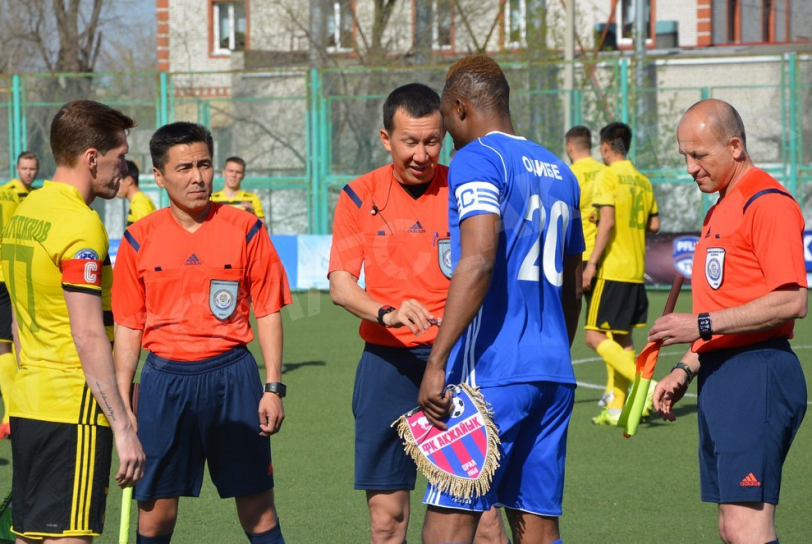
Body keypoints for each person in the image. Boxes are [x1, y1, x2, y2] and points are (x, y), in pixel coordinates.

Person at [329, 82, 507, 544]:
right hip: (386, 366)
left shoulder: (466, 186)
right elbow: (342, 287)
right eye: (410, 141)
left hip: (458, 366)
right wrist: (386, 311)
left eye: (433, 140)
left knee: (484, 521)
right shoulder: (356, 196)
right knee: (388, 521)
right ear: (386, 138)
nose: (423, 154)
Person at [417, 55, 584, 544]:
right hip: (554, 372)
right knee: (537, 523)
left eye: (446, 119)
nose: (446, 134)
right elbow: (574, 281)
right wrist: (555, 349)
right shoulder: (560, 171)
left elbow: (479, 258)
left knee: (449, 522)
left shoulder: (478, 159)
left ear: (462, 108)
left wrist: (437, 360)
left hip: (491, 373)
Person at [112, 122, 291, 544]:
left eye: (204, 164)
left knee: (259, 511)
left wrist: (273, 387)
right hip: (163, 383)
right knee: (156, 517)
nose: (197, 177)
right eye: (184, 167)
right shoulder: (138, 239)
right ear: (158, 176)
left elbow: (267, 309)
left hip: (233, 378)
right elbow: (128, 325)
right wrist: (123, 402)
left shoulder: (245, 228)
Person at [649, 99, 807, 544]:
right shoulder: (719, 208)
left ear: (734, 146)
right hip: (722, 375)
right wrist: (686, 366)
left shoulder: (768, 202)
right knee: (730, 526)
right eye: (684, 155)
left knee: (746, 526)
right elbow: (730, 307)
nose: (690, 167)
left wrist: (698, 326)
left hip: (757, 372)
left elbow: (792, 301)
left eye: (699, 155)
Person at [1, 99, 144, 541]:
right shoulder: (80, 224)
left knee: (30, 534)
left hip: (28, 399)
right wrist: (122, 425)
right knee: (70, 535)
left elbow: (15, 325)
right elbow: (86, 333)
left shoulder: (25, 213)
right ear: (91, 157)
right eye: (119, 157)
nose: (123, 169)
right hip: (73, 407)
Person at [583, 122, 660, 426]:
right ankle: (619, 407)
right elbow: (653, 225)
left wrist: (591, 265)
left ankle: (646, 387)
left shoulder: (607, 175)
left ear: (604, 147)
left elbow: (608, 223)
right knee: (623, 339)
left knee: (592, 335)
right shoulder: (642, 180)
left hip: (612, 269)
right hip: (636, 270)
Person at [564, 125, 613, 406]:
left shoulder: (570, 174)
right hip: (605, 253)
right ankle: (612, 388)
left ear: (570, 147)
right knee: (607, 327)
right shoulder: (605, 171)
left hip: (579, 257)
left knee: (574, 323)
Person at [0, 186, 20, 439]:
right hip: (8, 274)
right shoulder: (11, 193)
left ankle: (11, 414)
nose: (30, 173)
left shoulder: (11, 194)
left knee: (8, 343)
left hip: (6, 277)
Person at [211, 156, 266, 222]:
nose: (234, 175)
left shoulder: (252, 199)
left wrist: (253, 214)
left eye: (238, 172)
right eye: (231, 171)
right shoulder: (212, 199)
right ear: (224, 173)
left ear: (243, 176)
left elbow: (264, 228)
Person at [117, 159, 158, 225]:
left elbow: (146, 233)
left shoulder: (139, 204)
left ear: (129, 180)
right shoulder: (138, 201)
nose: (115, 184)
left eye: (118, 180)